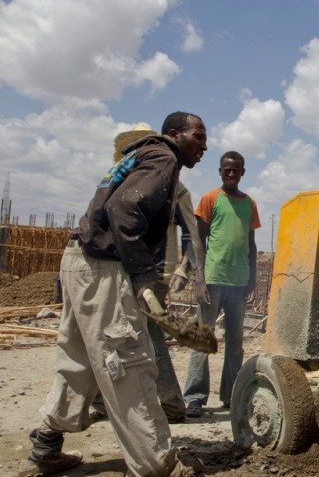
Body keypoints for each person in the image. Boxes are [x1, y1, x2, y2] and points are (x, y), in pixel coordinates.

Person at [19, 112, 208, 477]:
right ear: (175, 135)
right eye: (198, 136)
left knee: (81, 358)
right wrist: (142, 277)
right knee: (127, 361)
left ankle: (45, 446)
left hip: (80, 259)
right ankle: (158, 464)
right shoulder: (163, 157)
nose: (204, 145)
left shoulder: (137, 158)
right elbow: (123, 210)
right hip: (105, 266)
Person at [90, 129, 208, 425]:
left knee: (152, 335)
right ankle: (101, 401)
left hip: (152, 273)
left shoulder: (175, 188)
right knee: (110, 332)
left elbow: (193, 237)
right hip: (120, 268)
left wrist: (184, 269)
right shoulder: (125, 182)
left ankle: (170, 403)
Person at [183, 151, 260, 417]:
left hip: (238, 283)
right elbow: (197, 242)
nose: (231, 173)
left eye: (236, 169)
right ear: (220, 171)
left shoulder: (249, 203)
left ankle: (231, 395)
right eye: (227, 169)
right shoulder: (210, 199)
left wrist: (253, 278)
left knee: (235, 343)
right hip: (213, 280)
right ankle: (195, 397)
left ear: (243, 172)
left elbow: (251, 244)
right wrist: (199, 279)